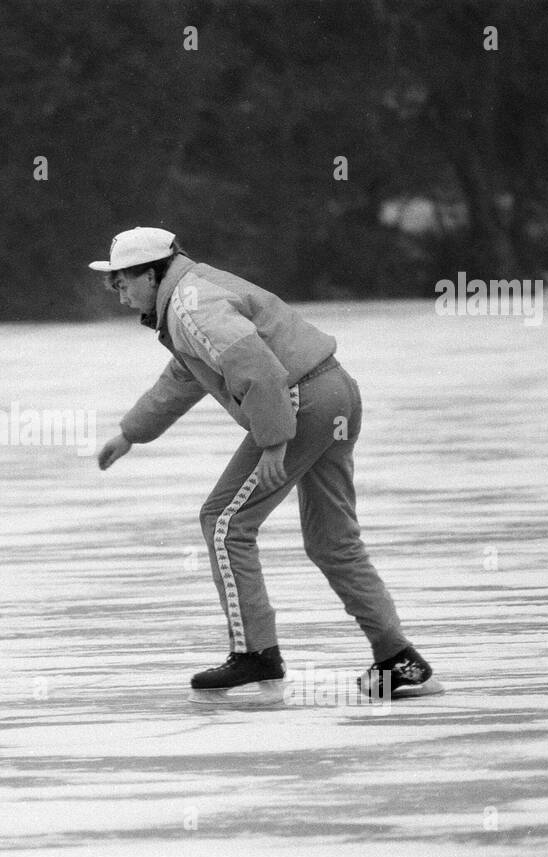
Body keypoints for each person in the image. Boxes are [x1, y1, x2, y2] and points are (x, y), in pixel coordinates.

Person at [90, 226, 440, 702]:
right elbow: (186, 375)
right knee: (331, 540)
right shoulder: (195, 295)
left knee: (224, 521)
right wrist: (132, 432)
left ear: (152, 274)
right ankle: (400, 661)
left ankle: (257, 654)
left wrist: (276, 442)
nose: (118, 293)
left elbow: (258, 369)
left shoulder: (191, 306)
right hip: (334, 391)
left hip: (300, 401)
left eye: (122, 281)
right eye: (114, 283)